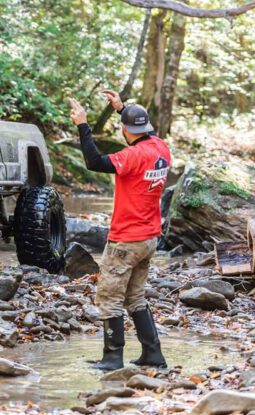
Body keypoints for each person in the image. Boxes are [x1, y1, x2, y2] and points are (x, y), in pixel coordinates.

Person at [68, 90, 171, 371]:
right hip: (150, 238)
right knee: (135, 297)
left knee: (109, 298)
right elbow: (137, 129)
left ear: (125, 130)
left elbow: (94, 162)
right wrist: (121, 108)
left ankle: (112, 358)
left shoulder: (132, 155)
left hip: (126, 240)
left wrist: (82, 124)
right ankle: (153, 355)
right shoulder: (161, 147)